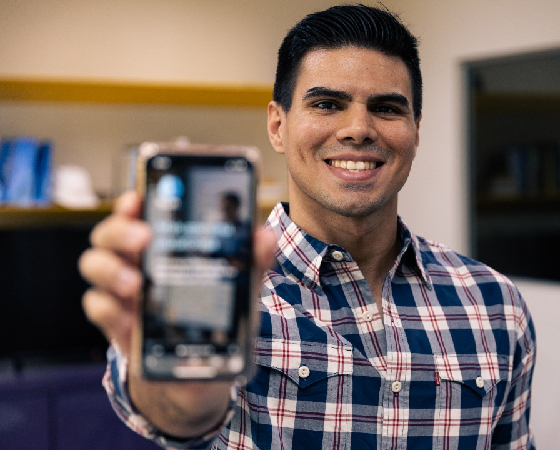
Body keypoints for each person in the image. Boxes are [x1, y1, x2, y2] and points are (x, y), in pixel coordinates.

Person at [79, 4, 536, 449]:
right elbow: (176, 414)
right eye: (327, 104)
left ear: (416, 130)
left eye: (386, 109)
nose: (358, 128)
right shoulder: (215, 292)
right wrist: (182, 395)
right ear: (277, 126)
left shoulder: (495, 304)